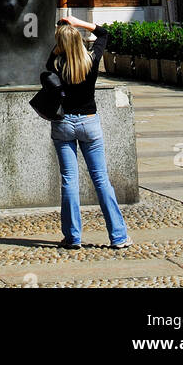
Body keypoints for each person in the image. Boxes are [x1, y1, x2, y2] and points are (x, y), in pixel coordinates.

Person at [47, 15, 129, 249]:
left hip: (64, 124)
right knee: (101, 179)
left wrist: (60, 39)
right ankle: (119, 236)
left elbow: (47, 62)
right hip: (89, 122)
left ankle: (73, 237)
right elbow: (103, 33)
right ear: (79, 41)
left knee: (69, 181)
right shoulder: (91, 61)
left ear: (60, 46)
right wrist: (78, 22)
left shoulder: (56, 64)